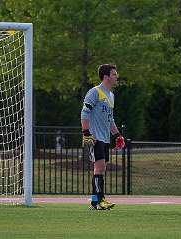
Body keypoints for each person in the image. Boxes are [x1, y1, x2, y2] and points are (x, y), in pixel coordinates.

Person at [80, 64, 125, 210]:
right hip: (95, 137)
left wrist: (117, 135)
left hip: (105, 138)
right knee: (100, 167)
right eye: (114, 74)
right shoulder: (95, 92)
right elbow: (85, 112)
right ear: (106, 77)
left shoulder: (111, 95)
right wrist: (86, 133)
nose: (116, 77)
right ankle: (100, 200)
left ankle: (94, 202)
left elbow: (110, 119)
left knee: (100, 168)